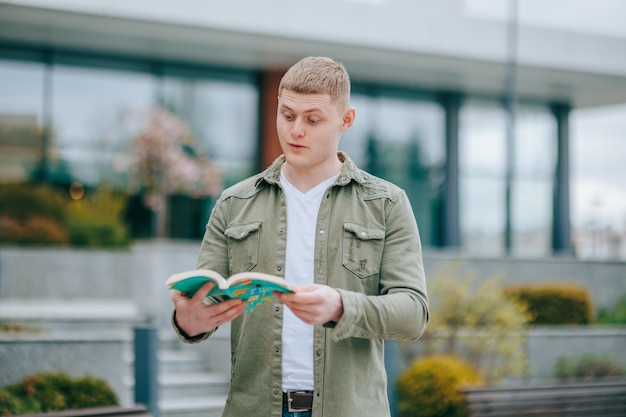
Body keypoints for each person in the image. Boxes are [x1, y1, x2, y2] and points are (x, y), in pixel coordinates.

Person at [170, 56, 429, 417]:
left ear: (346, 120)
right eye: (288, 116)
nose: (296, 131)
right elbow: (201, 302)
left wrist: (341, 306)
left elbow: (414, 313)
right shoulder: (234, 203)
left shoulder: (386, 203)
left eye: (312, 120)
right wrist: (189, 321)